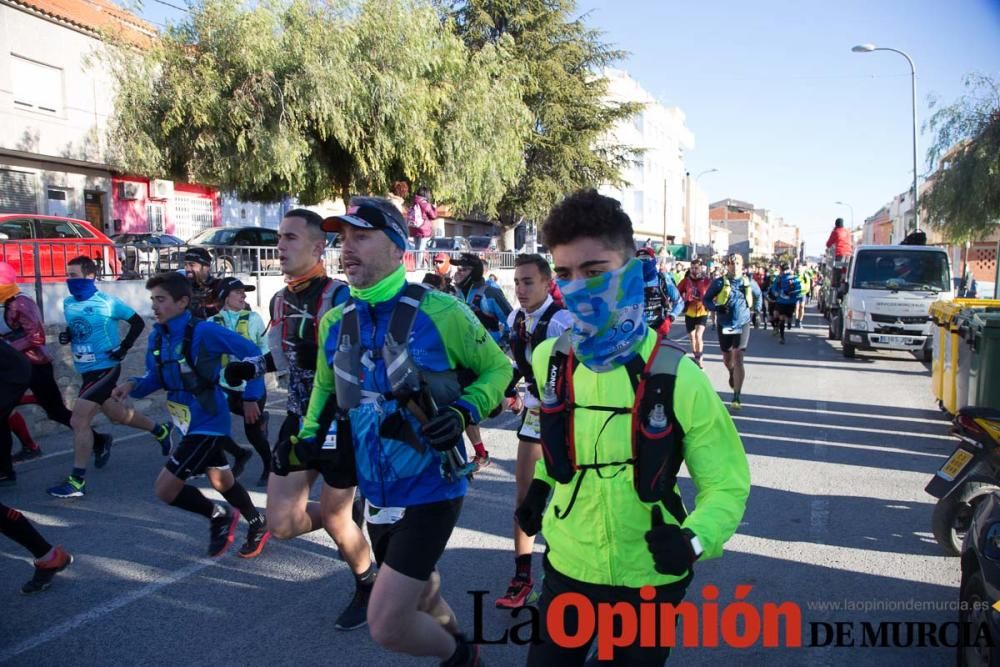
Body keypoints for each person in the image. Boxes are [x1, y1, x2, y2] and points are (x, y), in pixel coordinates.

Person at [515, 190, 750, 665]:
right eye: (564, 274)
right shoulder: (549, 359)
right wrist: (540, 490)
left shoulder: (678, 375)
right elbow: (559, 445)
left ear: (631, 271)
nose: (577, 287)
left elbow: (726, 484)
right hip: (567, 568)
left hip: (650, 577)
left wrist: (693, 540)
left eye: (595, 272)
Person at [286, 196, 509, 666]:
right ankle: (462, 649)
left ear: (397, 250)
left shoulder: (442, 311)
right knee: (423, 594)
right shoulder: (335, 320)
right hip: (377, 493)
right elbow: (326, 390)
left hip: (433, 487)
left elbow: (498, 370)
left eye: (361, 237)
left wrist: (467, 410)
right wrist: (307, 439)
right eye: (342, 238)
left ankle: (462, 657)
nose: (346, 248)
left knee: (387, 623)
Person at [110, 272, 270, 559]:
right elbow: (157, 377)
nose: (154, 306)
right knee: (222, 481)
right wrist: (132, 385)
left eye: (161, 299)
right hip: (185, 421)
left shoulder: (204, 332)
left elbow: (252, 352)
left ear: (183, 302)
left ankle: (218, 515)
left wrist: (251, 396)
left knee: (165, 489)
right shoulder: (159, 336)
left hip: (208, 420)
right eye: (152, 300)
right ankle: (258, 522)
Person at [265, 208, 371, 630]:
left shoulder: (342, 297)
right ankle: (343, 514)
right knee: (281, 524)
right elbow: (281, 359)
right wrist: (249, 370)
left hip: (337, 421)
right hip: (297, 418)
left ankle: (367, 583)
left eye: (290, 237)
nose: (280, 245)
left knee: (336, 519)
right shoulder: (279, 299)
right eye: (279, 237)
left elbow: (365, 362)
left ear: (317, 247)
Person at [47, 256, 173, 499]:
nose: (69, 280)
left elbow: (137, 323)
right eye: (68, 275)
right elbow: (79, 328)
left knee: (78, 420)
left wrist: (124, 348)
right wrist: (68, 336)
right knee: (116, 415)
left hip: (106, 367)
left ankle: (77, 481)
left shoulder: (107, 302)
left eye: (74, 275)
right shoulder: (69, 303)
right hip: (85, 369)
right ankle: (160, 430)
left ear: (90, 275)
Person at [497, 253, 573, 610]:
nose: (521, 289)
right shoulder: (515, 318)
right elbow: (518, 365)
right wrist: (509, 389)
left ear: (547, 284)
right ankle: (522, 575)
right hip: (535, 415)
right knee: (525, 498)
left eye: (528, 282)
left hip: (569, 418)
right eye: (517, 282)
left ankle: (562, 572)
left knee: (565, 497)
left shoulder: (561, 322)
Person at [0, 262, 111, 485]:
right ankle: (6, 469)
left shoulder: (23, 303)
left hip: (35, 365)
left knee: (55, 411)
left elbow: (36, 337)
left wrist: (6, 346)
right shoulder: (8, 303)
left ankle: (98, 440)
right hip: (15, 366)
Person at [452, 252, 513, 469]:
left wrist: (503, 347)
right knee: (464, 404)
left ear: (475, 272)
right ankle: (481, 454)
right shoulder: (454, 294)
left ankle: (511, 399)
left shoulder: (490, 293)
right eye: (457, 269)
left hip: (489, 360)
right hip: (464, 360)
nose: (457, 273)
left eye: (463, 269)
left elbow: (512, 320)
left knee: (494, 408)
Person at [213, 277, 272, 487]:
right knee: (211, 427)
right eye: (238, 292)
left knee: (252, 431)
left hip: (251, 387)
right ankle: (239, 454)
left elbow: (265, 354)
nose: (243, 296)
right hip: (224, 385)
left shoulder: (254, 318)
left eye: (244, 292)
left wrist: (254, 393)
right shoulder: (212, 323)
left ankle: (269, 465)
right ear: (224, 297)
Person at [703, 254, 762, 410]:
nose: (734, 266)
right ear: (727, 266)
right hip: (725, 324)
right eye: (731, 263)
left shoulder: (748, 282)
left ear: (742, 265)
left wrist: (757, 312)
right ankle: (731, 372)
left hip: (742, 323)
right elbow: (706, 299)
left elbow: (758, 295)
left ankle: (737, 395)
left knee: (739, 358)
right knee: (728, 359)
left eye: (737, 263)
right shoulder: (719, 283)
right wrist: (716, 308)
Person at [636, 247, 683, 335]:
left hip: (658, 329)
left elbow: (679, 302)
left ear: (653, 260)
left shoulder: (663, 279)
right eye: (639, 261)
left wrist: (670, 319)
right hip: (637, 331)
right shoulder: (631, 281)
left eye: (646, 259)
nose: (643, 263)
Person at [677, 258, 713, 367]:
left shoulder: (707, 281)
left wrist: (711, 305)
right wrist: (682, 301)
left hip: (702, 311)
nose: (694, 270)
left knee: (698, 335)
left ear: (701, 268)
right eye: (692, 268)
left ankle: (700, 359)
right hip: (689, 312)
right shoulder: (686, 281)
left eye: (696, 268)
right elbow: (677, 292)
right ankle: (696, 356)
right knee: (692, 337)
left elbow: (713, 294)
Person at [768, 263, 802, 345]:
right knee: (782, 317)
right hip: (783, 302)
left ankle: (788, 324)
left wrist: (777, 293)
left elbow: (774, 288)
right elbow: (799, 290)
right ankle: (782, 336)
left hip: (786, 301)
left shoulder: (784, 278)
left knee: (785, 317)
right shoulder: (793, 278)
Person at [184, 247, 222, 319]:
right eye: (186, 265)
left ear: (206, 267)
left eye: (192, 265)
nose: (187, 269)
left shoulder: (219, 287)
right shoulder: (182, 287)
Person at [407, 186, 436, 269]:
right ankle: (418, 266)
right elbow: (433, 216)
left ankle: (415, 264)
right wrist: (434, 208)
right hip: (423, 229)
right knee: (421, 248)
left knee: (416, 248)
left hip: (414, 228)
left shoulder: (413, 202)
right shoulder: (425, 204)